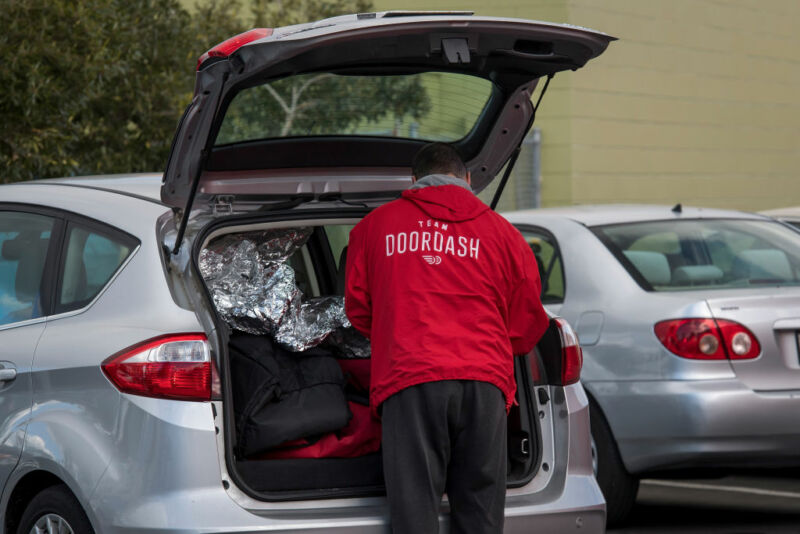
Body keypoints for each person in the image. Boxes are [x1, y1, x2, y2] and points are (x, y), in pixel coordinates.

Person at [344, 142, 549, 534]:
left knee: (415, 507)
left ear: (414, 181)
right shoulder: (502, 232)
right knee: (481, 510)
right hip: (485, 382)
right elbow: (527, 318)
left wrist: (397, 333)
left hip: (411, 377)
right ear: (468, 179)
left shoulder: (375, 227)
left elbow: (359, 309)